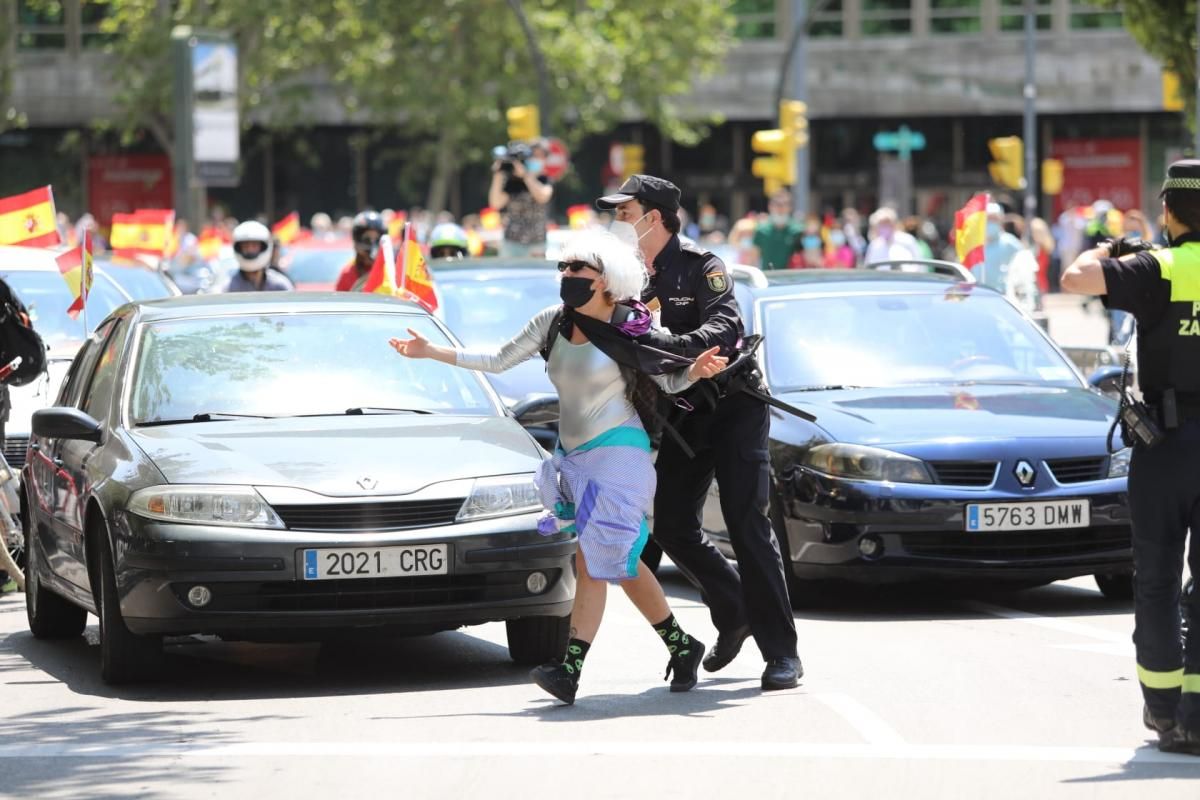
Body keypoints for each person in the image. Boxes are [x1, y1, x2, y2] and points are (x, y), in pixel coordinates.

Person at [388, 230, 727, 705]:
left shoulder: (629, 324)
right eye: (563, 268)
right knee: (612, 562)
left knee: (604, 559)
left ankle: (570, 670)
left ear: (606, 278)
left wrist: (695, 371)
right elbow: (500, 359)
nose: (566, 276)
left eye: (577, 269)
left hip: (620, 453)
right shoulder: (553, 322)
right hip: (573, 459)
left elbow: (668, 377)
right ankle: (680, 644)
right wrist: (432, 353)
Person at [596, 174, 803, 691]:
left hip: (732, 405)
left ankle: (782, 653)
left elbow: (725, 326)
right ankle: (734, 611)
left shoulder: (702, 267)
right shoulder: (627, 277)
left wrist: (673, 344)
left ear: (656, 216)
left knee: (746, 522)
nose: (619, 221)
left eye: (627, 211)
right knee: (669, 523)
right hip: (685, 413)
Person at [1060, 158, 1200, 757]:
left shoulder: (1157, 266)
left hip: (1165, 448)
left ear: (1168, 212)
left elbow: (1075, 279)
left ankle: (1166, 712)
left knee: (1158, 576)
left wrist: (1112, 247)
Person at [488, 141, 553, 257]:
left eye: (540, 156)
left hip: (536, 242)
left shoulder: (544, 179)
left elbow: (542, 197)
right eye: (534, 155)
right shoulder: (512, 182)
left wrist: (526, 176)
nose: (536, 159)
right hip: (512, 243)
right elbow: (495, 203)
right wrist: (498, 174)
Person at [219, 221, 293, 293]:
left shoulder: (280, 286)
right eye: (245, 246)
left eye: (254, 246)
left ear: (263, 247)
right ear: (238, 248)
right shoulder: (228, 288)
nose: (250, 250)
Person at [751, 190, 803, 270]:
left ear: (790, 207)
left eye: (784, 204)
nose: (780, 208)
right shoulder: (761, 230)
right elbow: (754, 258)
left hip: (791, 279)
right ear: (769, 206)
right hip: (767, 278)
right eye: (777, 204)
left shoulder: (798, 231)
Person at [335, 211, 385, 292]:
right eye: (367, 240)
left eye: (376, 239)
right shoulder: (348, 273)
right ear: (356, 242)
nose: (372, 246)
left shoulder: (389, 272)